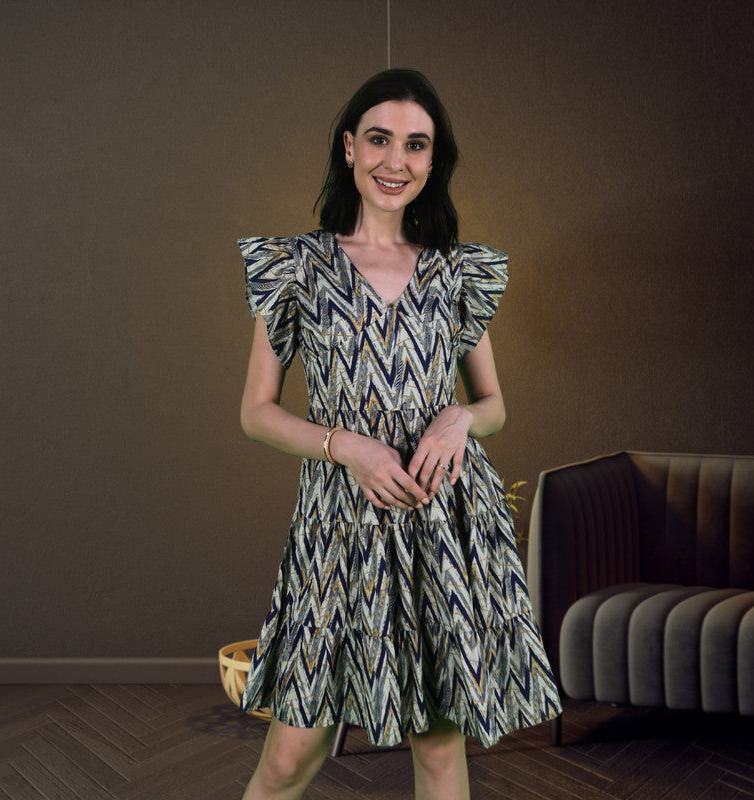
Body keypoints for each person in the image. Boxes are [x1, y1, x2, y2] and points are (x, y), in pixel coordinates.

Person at [235, 68, 561, 800]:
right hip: (338, 526)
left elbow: (493, 405)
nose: (396, 161)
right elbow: (256, 412)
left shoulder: (454, 271)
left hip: (440, 522)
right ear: (349, 147)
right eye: (379, 139)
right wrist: (346, 446)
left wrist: (459, 417)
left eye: (416, 145)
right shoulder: (297, 268)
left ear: (433, 161)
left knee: (441, 749)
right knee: (289, 758)